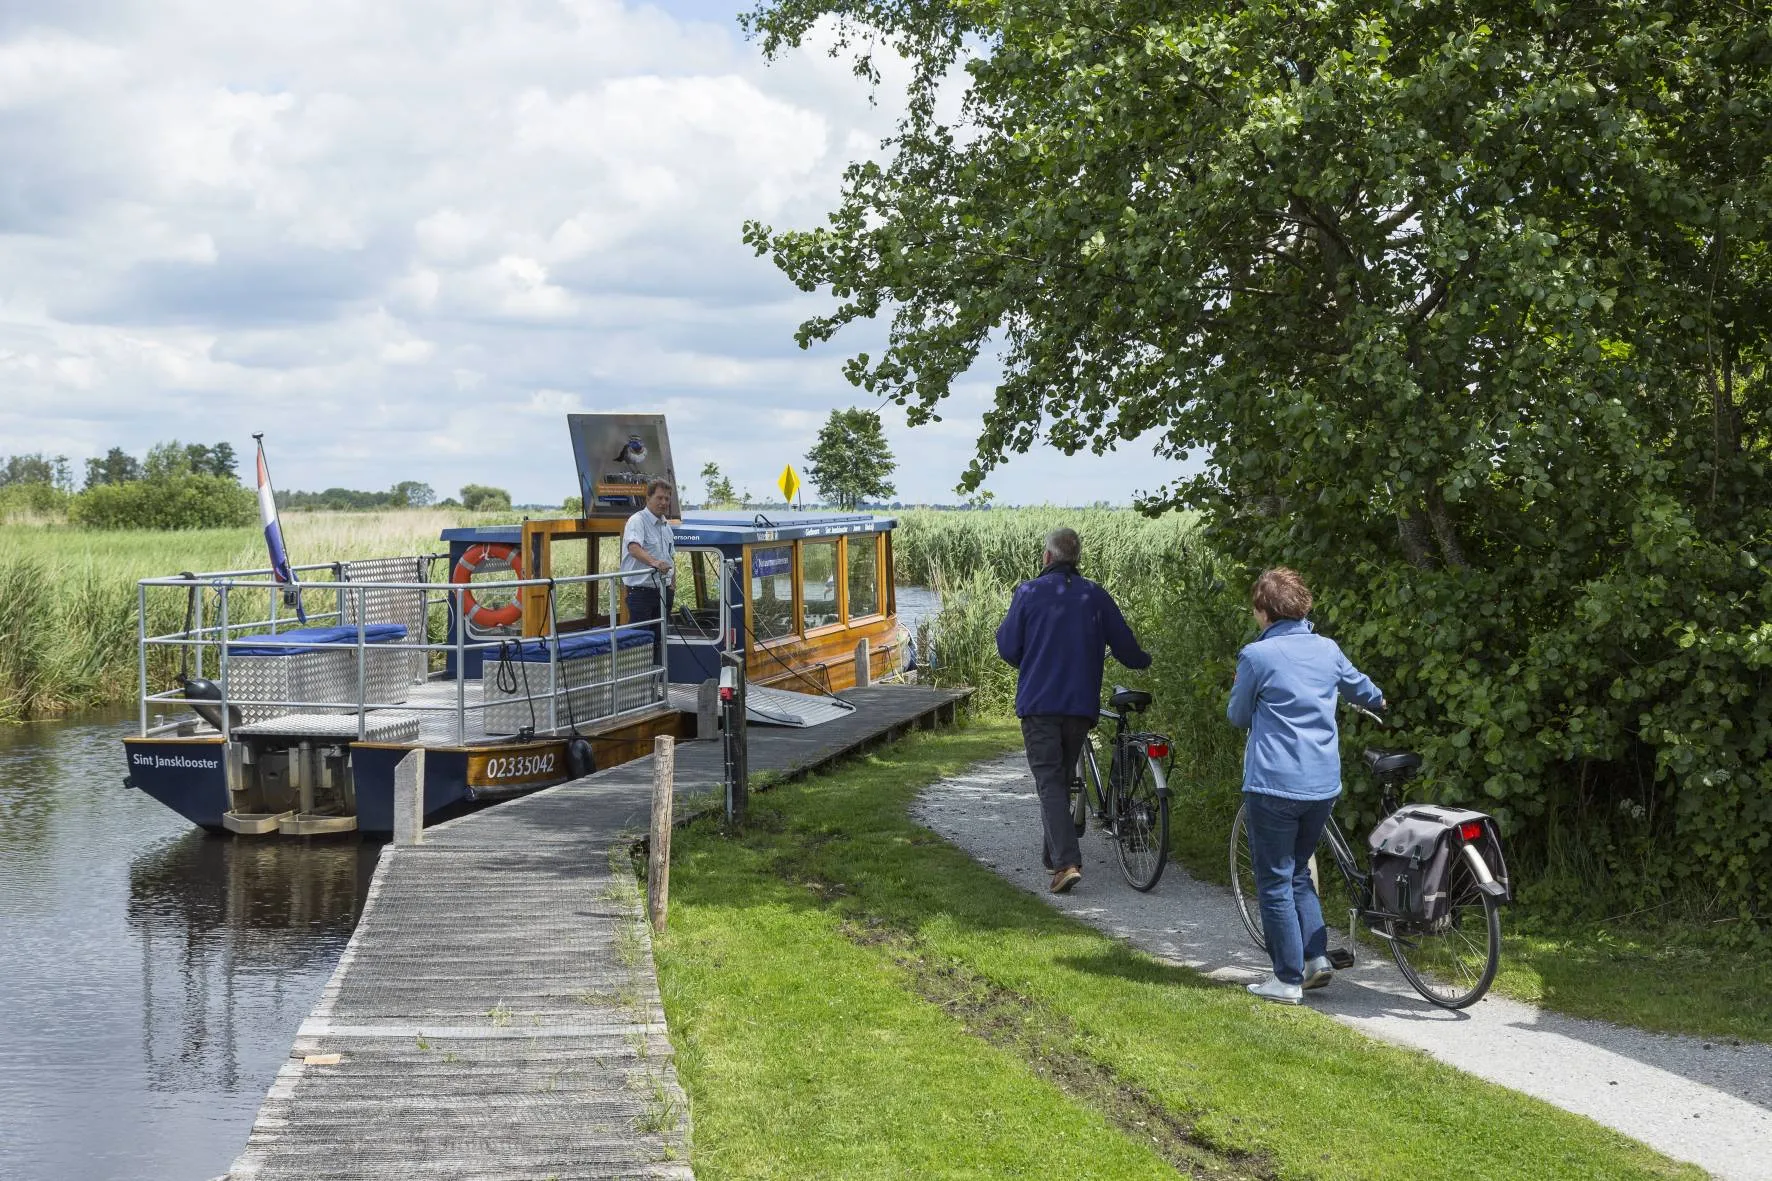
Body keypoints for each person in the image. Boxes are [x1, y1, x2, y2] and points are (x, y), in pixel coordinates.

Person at [1227, 567, 1384, 1004]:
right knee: (1297, 871)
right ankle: (1316, 960)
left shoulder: (1256, 657)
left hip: (1274, 785)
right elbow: (1364, 690)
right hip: (1321, 787)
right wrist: (1377, 700)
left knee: (1274, 879)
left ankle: (1286, 978)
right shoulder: (1328, 649)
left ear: (1264, 610)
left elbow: (1237, 716)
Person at [996, 527, 1152, 894]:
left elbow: (1007, 647)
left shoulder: (1029, 592)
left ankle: (1066, 863)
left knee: (1050, 781)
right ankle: (1054, 857)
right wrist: (1145, 660)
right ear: (1075, 558)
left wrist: (1030, 660)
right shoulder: (1094, 595)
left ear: (1047, 558)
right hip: (1080, 706)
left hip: (1039, 703)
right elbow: (1127, 647)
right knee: (1060, 779)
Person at [621, 479, 676, 664]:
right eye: (659, 498)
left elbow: (671, 557)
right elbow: (634, 548)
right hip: (641, 593)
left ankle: (655, 688)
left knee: (658, 642)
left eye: (667, 499)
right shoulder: (637, 521)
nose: (663, 503)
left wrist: (672, 586)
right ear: (648, 498)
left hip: (663, 592)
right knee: (640, 642)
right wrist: (655, 563)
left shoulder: (666, 526)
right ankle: (640, 688)